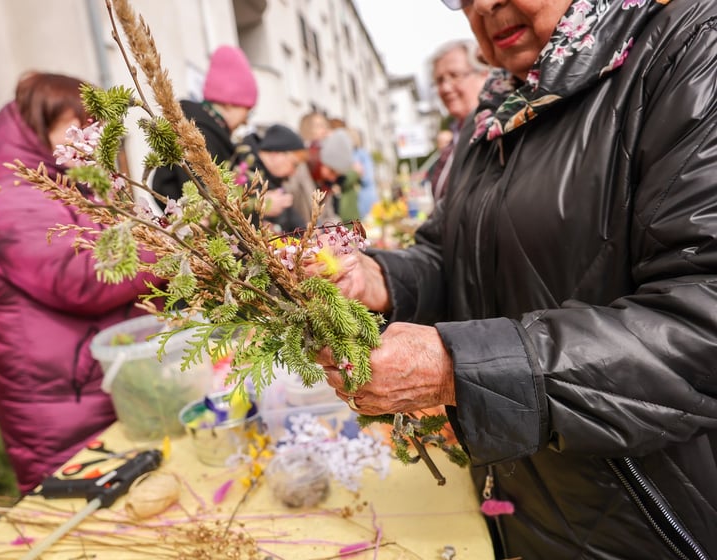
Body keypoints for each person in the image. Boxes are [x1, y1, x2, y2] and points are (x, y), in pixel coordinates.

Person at [315, 0, 717, 558]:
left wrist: (460, 368)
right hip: (525, 497)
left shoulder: (688, 50)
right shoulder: (498, 112)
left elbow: (703, 322)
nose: (484, 5)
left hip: (650, 518)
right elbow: (450, 256)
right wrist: (375, 278)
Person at [0, 72, 161, 494]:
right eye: (79, 126)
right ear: (39, 124)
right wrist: (166, 253)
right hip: (60, 411)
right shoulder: (10, 197)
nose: (91, 138)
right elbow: (81, 277)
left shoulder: (64, 187)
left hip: (94, 389)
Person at [150, 45, 258, 206]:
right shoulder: (200, 135)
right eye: (247, 111)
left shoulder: (210, 130)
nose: (245, 121)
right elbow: (207, 202)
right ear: (230, 102)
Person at [424, 38, 488, 202]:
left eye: (455, 75)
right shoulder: (455, 140)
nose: (445, 88)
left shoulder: (501, 132)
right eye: (439, 81)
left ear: (483, 74)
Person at [232, 123, 307, 233]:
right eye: (294, 164)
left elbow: (294, 221)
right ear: (276, 153)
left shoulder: (273, 180)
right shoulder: (241, 171)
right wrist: (260, 208)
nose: (294, 172)